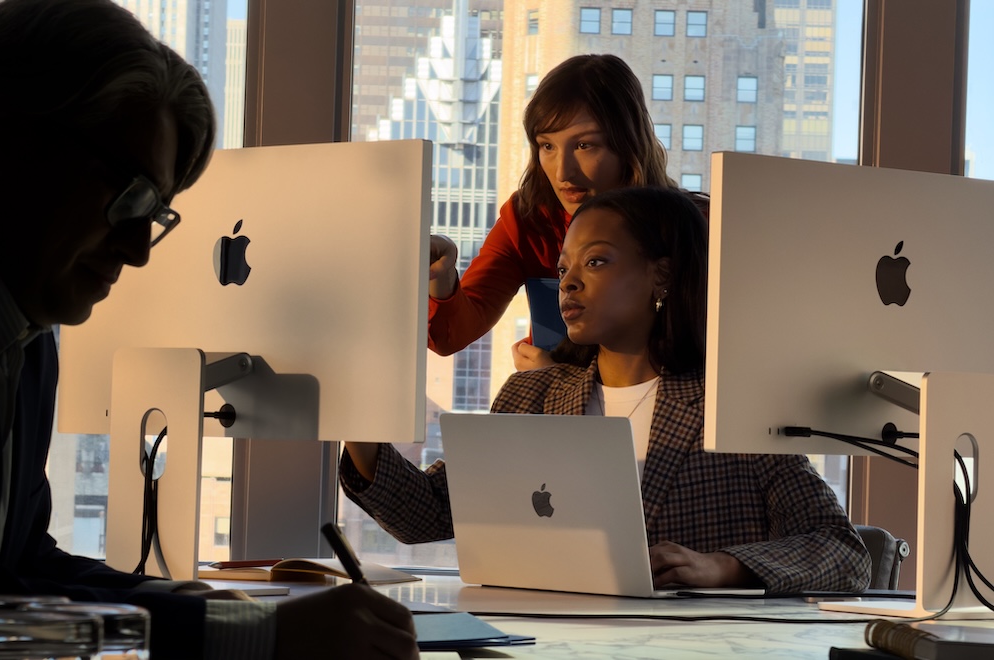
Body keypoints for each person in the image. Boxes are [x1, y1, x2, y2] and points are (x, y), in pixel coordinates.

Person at [0, 1, 417, 658]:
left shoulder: (27, 341)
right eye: (129, 196)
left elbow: (22, 566)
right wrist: (251, 635)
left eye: (155, 212)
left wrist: (203, 605)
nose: (137, 252)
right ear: (14, 136)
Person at [343, 186, 872, 594]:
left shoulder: (732, 404)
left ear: (661, 277)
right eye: (563, 268)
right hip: (541, 640)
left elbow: (843, 553)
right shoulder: (532, 398)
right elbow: (427, 516)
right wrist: (359, 405)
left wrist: (722, 567)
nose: (568, 283)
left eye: (595, 262)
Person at [427, 53, 708, 371]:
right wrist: (444, 277)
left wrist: (558, 383)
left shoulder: (696, 226)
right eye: (547, 146)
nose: (563, 171)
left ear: (628, 144)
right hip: (555, 416)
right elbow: (449, 336)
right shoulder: (529, 218)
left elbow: (721, 359)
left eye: (584, 145)